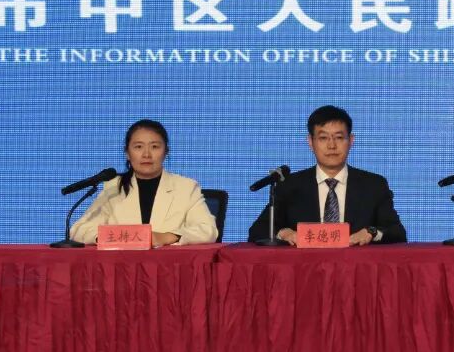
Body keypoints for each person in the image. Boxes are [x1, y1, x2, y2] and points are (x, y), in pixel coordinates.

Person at [247, 105, 406, 245]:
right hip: (306, 267)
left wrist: (371, 232)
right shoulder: (290, 186)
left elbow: (397, 232)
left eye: (339, 137)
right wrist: (284, 233)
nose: (331, 145)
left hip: (355, 267)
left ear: (351, 140)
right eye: (323, 138)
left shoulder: (373, 185)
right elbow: (257, 230)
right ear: (310, 142)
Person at [70, 119, 219, 246]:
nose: (146, 154)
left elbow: (208, 231)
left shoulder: (186, 187)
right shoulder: (113, 187)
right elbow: (78, 230)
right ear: (127, 153)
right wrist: (113, 238)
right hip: (123, 266)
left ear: (166, 152)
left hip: (168, 267)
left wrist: (166, 237)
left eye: (155, 147)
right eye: (138, 147)